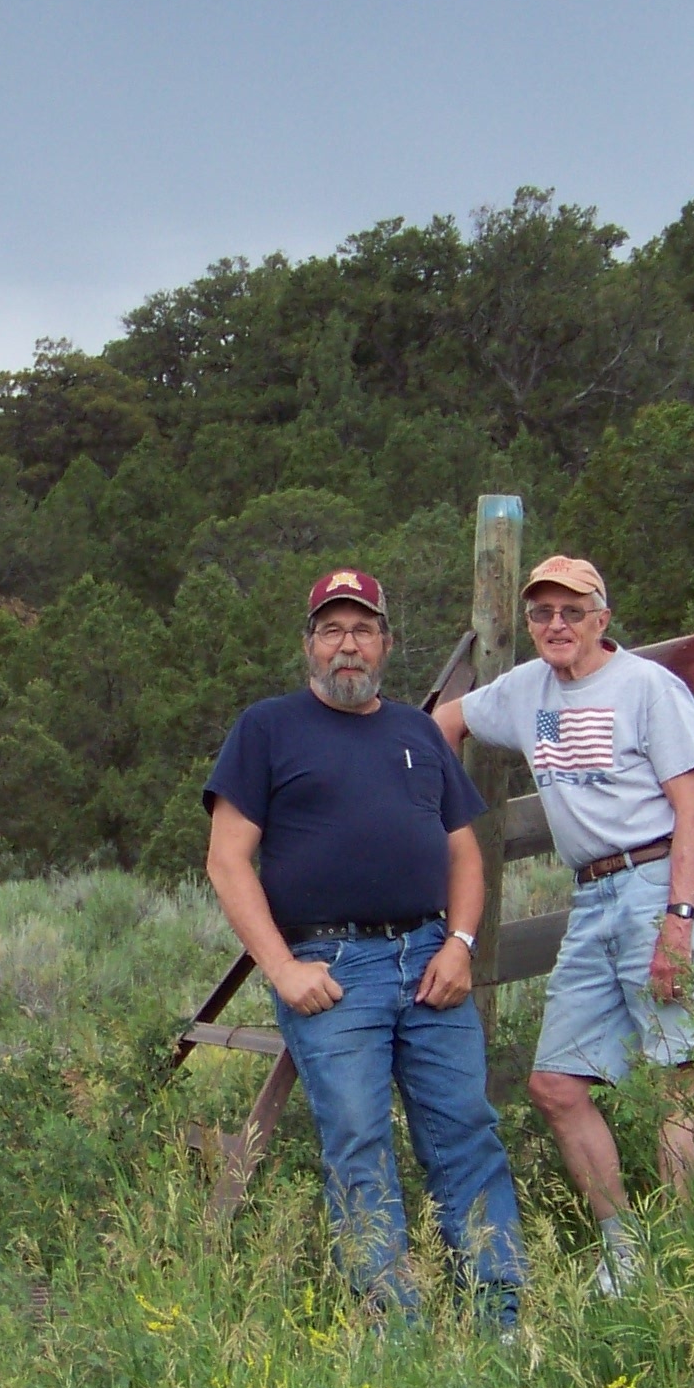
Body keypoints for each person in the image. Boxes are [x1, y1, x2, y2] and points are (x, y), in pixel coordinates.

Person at [203, 568, 529, 1329]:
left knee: (466, 1131)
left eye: (362, 630)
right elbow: (227, 860)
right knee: (358, 1139)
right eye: (331, 630)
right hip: (333, 971)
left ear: (386, 643)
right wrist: (283, 968)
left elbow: (466, 857)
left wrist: (462, 946)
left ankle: (500, 1318)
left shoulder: (417, 733)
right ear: (309, 646)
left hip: (430, 963)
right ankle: (395, 1329)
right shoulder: (267, 729)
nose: (347, 645)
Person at [437, 554, 694, 1296]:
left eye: (571, 612)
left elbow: (693, 809)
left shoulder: (648, 688)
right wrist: (433, 814)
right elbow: (446, 721)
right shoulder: (528, 689)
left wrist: (678, 923)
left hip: (657, 881)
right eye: (541, 614)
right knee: (556, 1084)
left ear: (602, 617)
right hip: (591, 896)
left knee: (673, 1074)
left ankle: (680, 1257)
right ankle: (625, 1247)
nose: (555, 626)